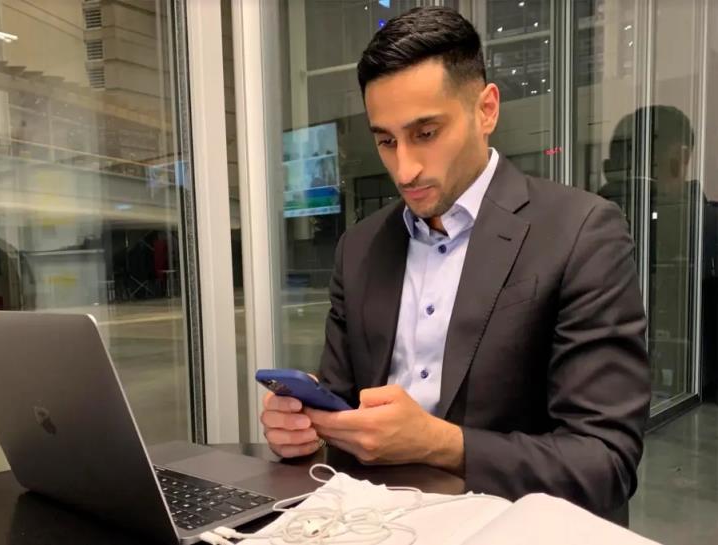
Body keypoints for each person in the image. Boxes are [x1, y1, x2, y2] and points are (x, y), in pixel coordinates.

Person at [260, 6, 650, 518]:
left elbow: (605, 462)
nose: (405, 169)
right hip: (371, 520)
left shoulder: (581, 232)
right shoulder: (359, 248)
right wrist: (305, 428)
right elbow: (339, 404)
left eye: (425, 133)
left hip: (508, 522)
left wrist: (439, 443)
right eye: (385, 141)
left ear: (486, 110)